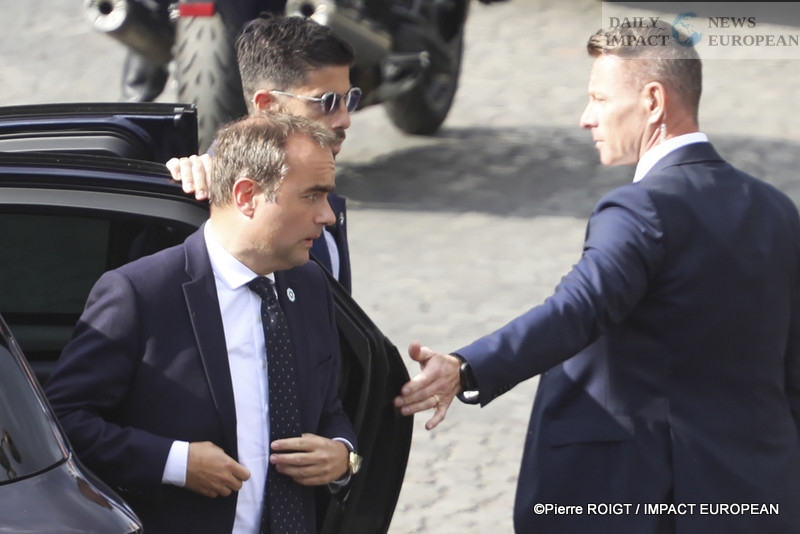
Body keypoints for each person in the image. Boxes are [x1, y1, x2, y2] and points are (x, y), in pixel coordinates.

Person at [394, 23, 800, 533]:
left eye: (600, 98)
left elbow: (578, 308)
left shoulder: (641, 207)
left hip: (648, 498)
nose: (586, 118)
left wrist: (465, 367)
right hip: (759, 497)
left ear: (653, 101)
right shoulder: (777, 209)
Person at [45, 113, 360, 534]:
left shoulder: (310, 285)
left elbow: (328, 407)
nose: (328, 216)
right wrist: (174, 462)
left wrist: (342, 454)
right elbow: (62, 421)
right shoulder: (141, 293)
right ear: (247, 196)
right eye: (312, 196)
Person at [167, 15, 357, 293]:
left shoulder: (315, 178)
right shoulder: (208, 196)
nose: (345, 119)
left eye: (349, 99)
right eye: (326, 102)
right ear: (267, 105)